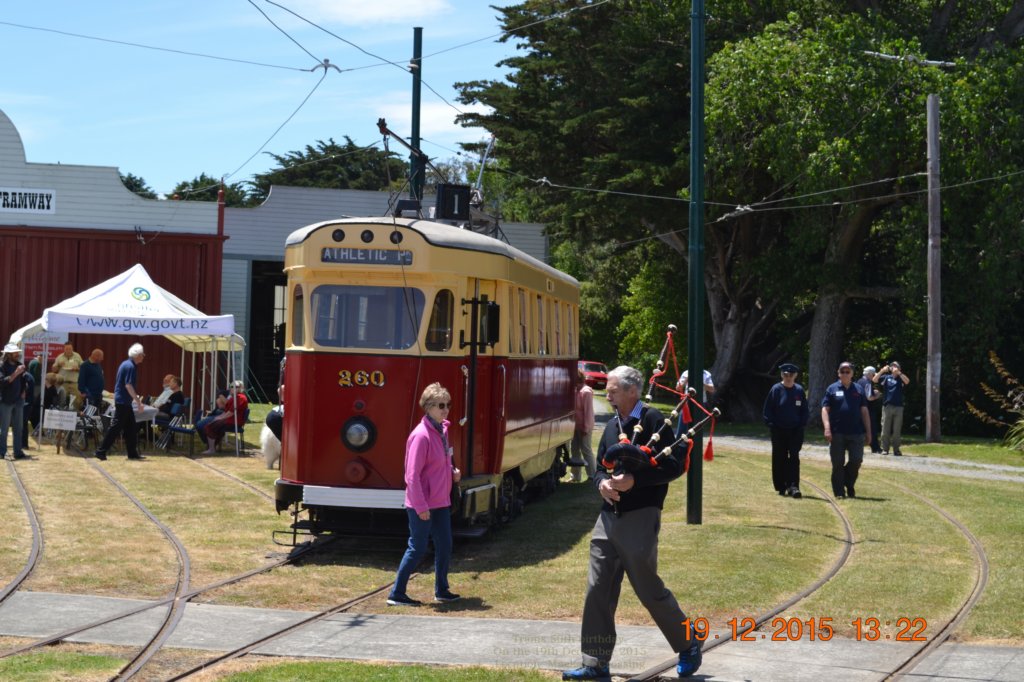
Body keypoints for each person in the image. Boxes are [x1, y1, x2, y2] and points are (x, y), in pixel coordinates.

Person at [563, 366, 701, 682]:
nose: (607, 394)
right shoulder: (613, 424)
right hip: (607, 517)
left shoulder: (653, 420)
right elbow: (601, 466)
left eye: (612, 390)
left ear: (632, 391)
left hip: (641, 515)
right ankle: (595, 663)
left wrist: (635, 481)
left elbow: (673, 466)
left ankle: (688, 642)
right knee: (597, 588)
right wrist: (601, 483)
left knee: (648, 589)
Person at [387, 383, 462, 606]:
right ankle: (396, 594)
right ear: (428, 407)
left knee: (445, 545)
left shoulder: (442, 431)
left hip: (440, 501)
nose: (446, 409)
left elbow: (439, 464)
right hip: (422, 504)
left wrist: (452, 472)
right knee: (417, 548)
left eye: (448, 405)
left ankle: (442, 590)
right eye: (441, 405)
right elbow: (412, 476)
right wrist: (421, 507)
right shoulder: (421, 436)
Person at [821, 361, 871, 499]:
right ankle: (839, 492)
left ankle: (848, 483)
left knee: (856, 460)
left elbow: (864, 411)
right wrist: (827, 428)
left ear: (852, 373)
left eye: (847, 371)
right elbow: (825, 409)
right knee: (837, 462)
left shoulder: (859, 389)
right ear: (838, 373)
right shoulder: (832, 389)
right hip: (837, 432)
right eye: (842, 371)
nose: (844, 374)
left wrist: (869, 432)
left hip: (856, 432)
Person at [762, 363, 809, 498]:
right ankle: (781, 486)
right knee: (779, 457)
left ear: (795, 376)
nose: (788, 377)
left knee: (794, 457)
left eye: (791, 375)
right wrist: (771, 424)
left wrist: (801, 424)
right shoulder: (776, 389)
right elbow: (768, 409)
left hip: (795, 430)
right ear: (782, 375)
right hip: (778, 430)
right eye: (785, 375)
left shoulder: (799, 390)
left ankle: (793, 487)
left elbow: (804, 410)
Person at [94, 343, 146, 461]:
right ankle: (101, 451)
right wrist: (138, 402)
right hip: (123, 401)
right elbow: (128, 385)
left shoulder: (126, 364)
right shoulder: (130, 367)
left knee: (131, 428)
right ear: (137, 355)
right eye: (142, 354)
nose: (143, 356)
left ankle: (132, 453)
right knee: (116, 428)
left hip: (123, 400)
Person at [197, 380, 248, 455]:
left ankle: (211, 449)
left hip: (234, 421)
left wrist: (220, 418)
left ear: (241, 388)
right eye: (231, 386)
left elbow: (231, 412)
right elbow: (226, 411)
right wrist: (219, 417)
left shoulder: (240, 398)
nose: (232, 388)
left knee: (210, 426)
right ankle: (211, 446)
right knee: (213, 424)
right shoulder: (233, 398)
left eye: (235, 387)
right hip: (230, 419)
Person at [873, 361, 910, 456]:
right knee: (885, 429)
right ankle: (885, 449)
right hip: (887, 406)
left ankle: (896, 450)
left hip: (899, 407)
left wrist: (899, 373)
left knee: (897, 430)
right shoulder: (886, 377)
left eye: (896, 366)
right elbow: (874, 380)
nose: (894, 367)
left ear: (899, 368)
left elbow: (907, 381)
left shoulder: (901, 378)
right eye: (892, 366)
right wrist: (882, 371)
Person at [0, 344, 28, 460]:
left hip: (18, 401)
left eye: (17, 352)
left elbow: (24, 380)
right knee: (4, 428)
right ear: (8, 354)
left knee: (18, 428)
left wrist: (23, 391)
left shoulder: (19, 365)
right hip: (6, 401)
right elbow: (2, 382)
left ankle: (18, 452)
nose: (17, 354)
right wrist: (16, 373)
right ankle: (2, 451)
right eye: (15, 353)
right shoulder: (2, 366)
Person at [570, 369, 596, 482]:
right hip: (574, 426)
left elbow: (588, 412)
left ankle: (592, 475)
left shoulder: (586, 391)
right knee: (574, 450)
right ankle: (575, 476)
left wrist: (586, 428)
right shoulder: (575, 390)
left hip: (585, 426)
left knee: (586, 450)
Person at [857, 366, 882, 453]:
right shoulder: (867, 383)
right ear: (870, 374)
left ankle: (857, 446)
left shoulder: (859, 381)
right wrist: (877, 396)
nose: (874, 376)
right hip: (868, 409)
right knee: (872, 428)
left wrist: (873, 392)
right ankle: (875, 448)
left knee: (860, 428)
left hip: (859, 408)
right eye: (873, 374)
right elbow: (869, 397)